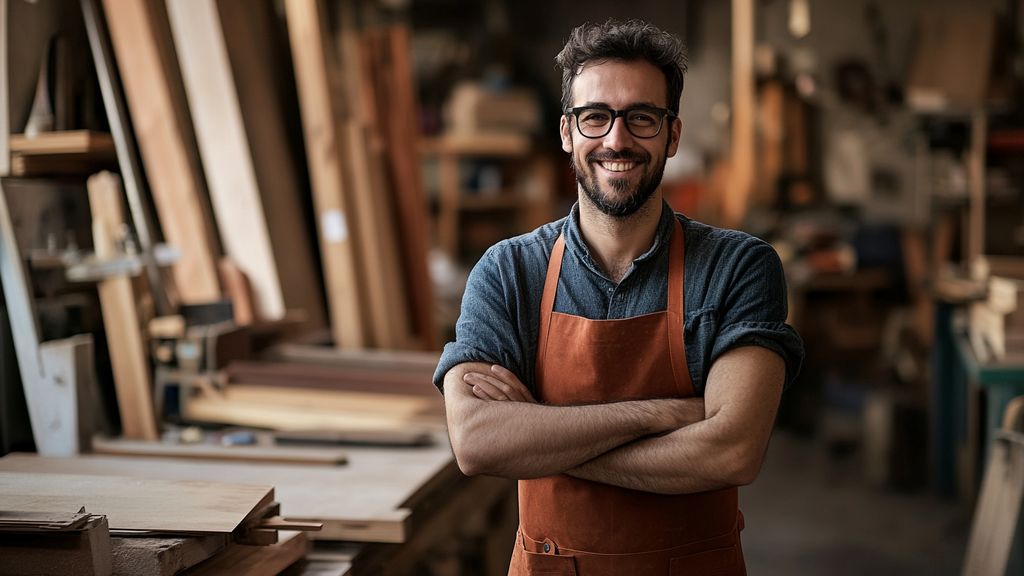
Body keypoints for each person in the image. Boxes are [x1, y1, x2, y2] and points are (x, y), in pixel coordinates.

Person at [433, 18, 804, 575]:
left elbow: (732, 451)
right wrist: (666, 415)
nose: (616, 139)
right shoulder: (509, 272)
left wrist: (542, 436)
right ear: (566, 133)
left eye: (642, 118)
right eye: (595, 117)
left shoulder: (738, 268)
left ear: (672, 135)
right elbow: (477, 442)